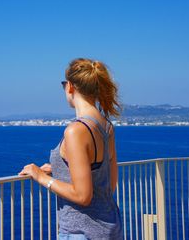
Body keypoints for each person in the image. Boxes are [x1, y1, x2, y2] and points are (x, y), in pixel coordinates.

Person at [18, 58, 124, 239]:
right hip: (110, 228)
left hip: (81, 233)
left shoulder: (76, 131)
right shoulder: (106, 127)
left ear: (70, 87)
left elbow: (83, 196)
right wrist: (60, 169)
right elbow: (108, 182)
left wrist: (41, 177)